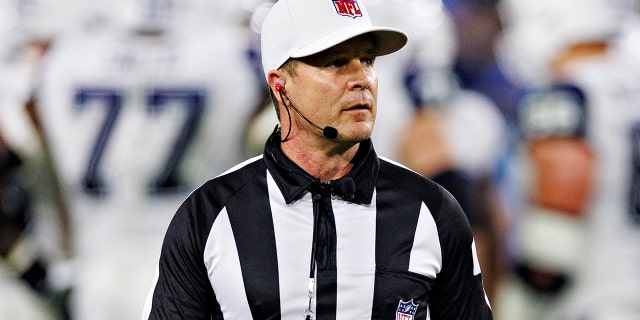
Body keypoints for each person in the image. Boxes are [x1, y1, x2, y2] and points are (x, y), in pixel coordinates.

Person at [143, 0, 494, 319]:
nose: (361, 79)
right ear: (280, 85)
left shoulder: (432, 212)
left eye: (368, 61)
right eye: (336, 62)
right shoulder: (208, 217)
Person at [25, 0, 260, 319]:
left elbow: (24, 130)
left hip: (96, 272)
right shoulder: (233, 50)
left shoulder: (62, 53)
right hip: (197, 272)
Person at [493, 0, 640, 319]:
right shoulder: (631, 83)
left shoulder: (569, 90)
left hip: (589, 297)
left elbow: (565, 171)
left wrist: (530, 291)